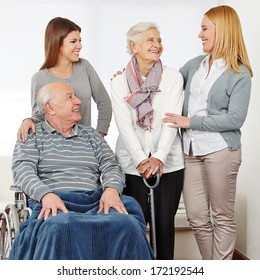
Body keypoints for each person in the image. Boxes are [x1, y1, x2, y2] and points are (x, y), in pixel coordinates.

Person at [9, 81, 155, 260]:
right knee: (60, 225)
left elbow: (111, 165)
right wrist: (46, 195)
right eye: (70, 97)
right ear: (50, 107)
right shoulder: (32, 135)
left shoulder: (91, 135)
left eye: (76, 96)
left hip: (95, 200)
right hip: (54, 200)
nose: (78, 101)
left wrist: (111, 189)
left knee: (128, 224)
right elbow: (23, 171)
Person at [163, 5, 253, 260]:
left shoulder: (239, 73)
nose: (199, 34)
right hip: (191, 152)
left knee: (222, 217)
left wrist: (190, 122)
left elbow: (235, 118)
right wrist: (129, 76)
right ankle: (212, 268)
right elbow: (166, 85)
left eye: (204, 29)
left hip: (221, 151)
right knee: (197, 217)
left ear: (222, 31)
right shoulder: (193, 66)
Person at [110, 22, 184, 260]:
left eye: (159, 40)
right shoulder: (118, 82)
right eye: (150, 40)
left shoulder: (173, 78)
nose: (157, 45)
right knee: (133, 227)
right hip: (132, 165)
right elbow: (124, 126)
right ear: (134, 46)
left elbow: (171, 120)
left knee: (164, 228)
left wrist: (159, 157)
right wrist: (142, 159)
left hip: (169, 164)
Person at [17, 17, 112, 141]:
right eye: (73, 41)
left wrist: (99, 135)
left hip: (84, 144)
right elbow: (38, 117)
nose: (80, 46)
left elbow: (104, 103)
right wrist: (27, 120)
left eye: (80, 40)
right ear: (57, 43)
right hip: (54, 146)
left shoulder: (84, 66)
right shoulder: (39, 78)